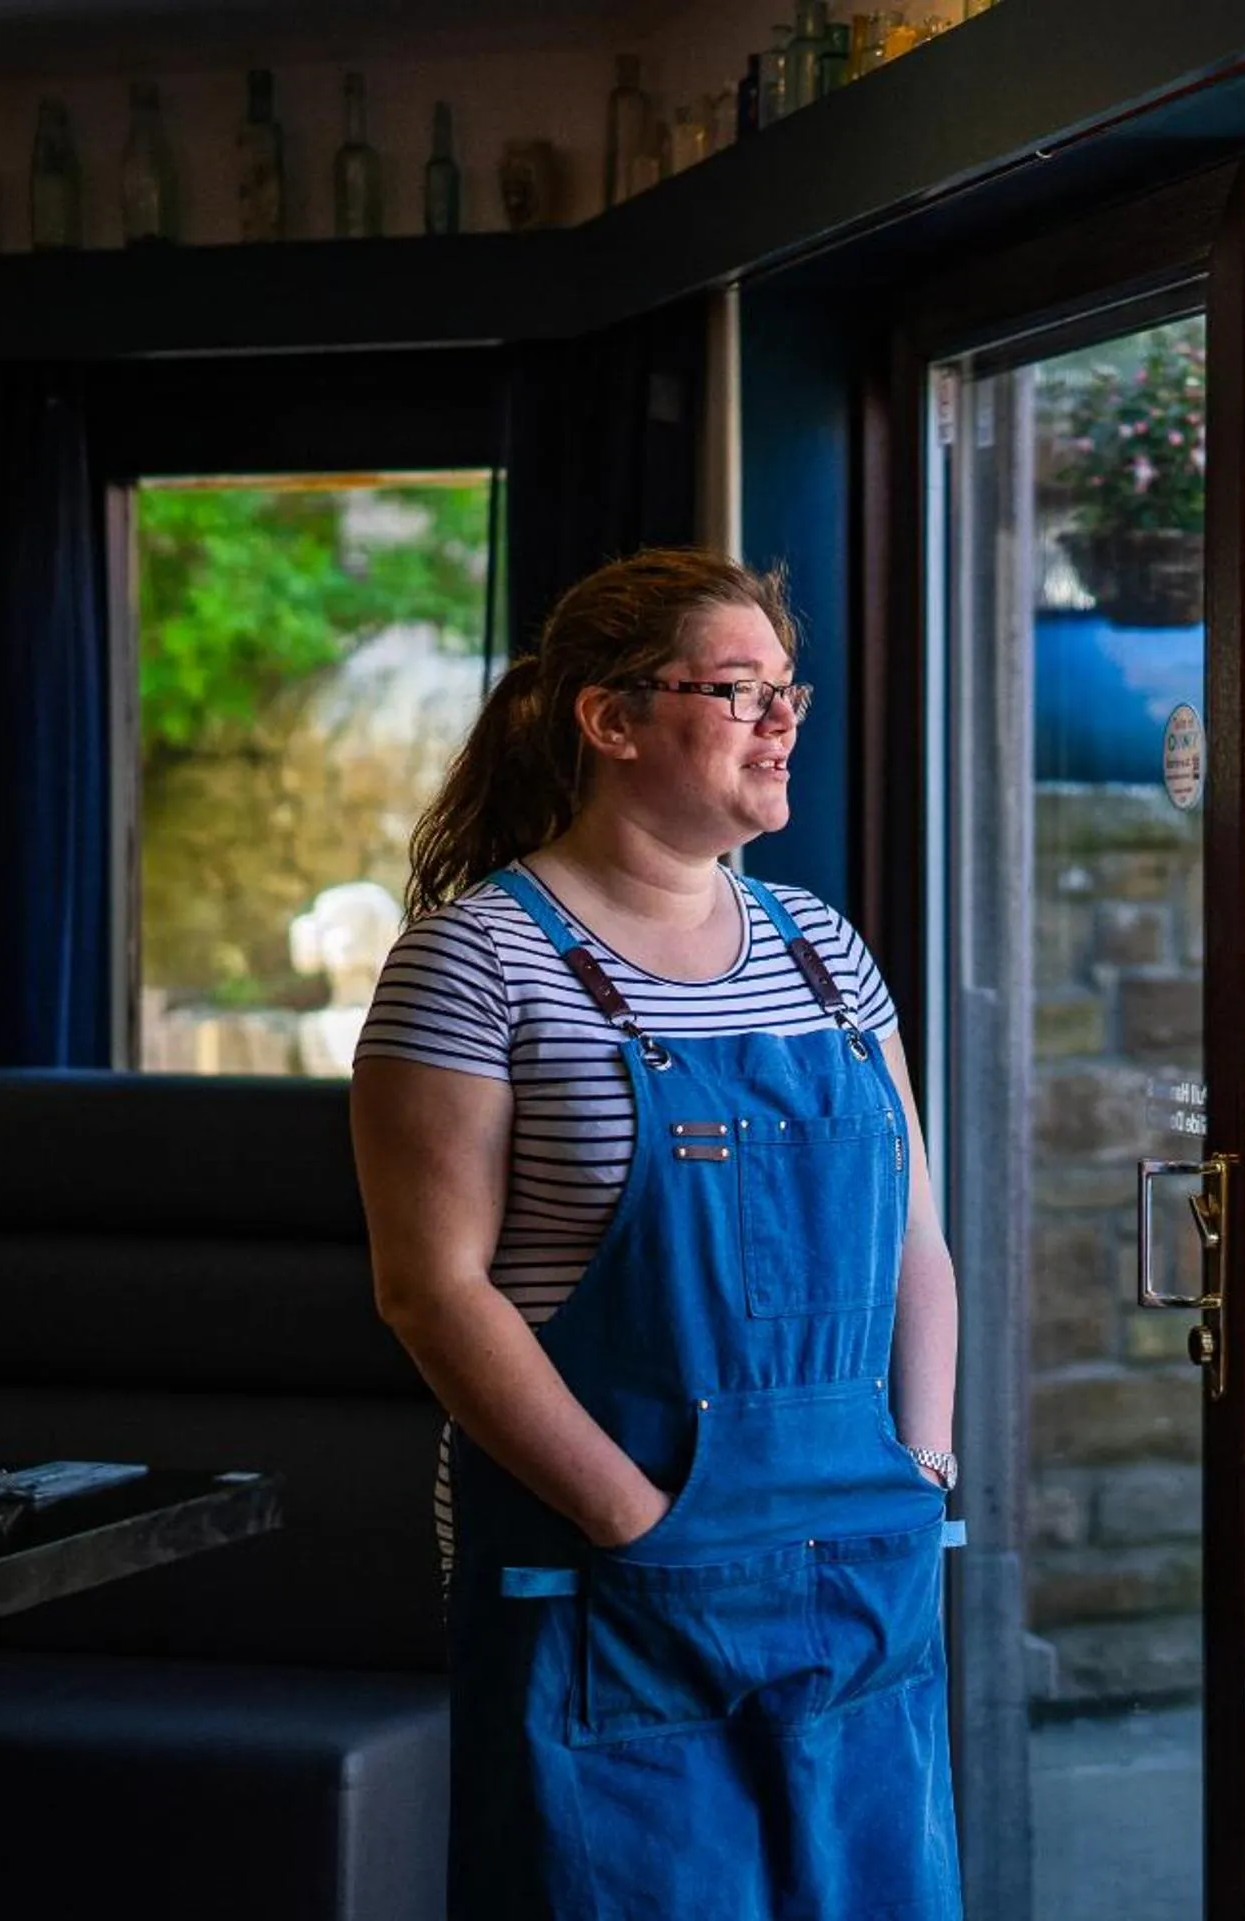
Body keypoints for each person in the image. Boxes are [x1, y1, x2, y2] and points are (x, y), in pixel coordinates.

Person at [349, 547, 961, 1919]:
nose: (782, 720)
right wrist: (637, 1521)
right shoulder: (476, 961)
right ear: (611, 720)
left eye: (784, 689)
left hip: (863, 1567)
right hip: (611, 1591)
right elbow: (431, 1292)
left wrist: (922, 1465)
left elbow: (916, 1243)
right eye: (739, 690)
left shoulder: (826, 952)